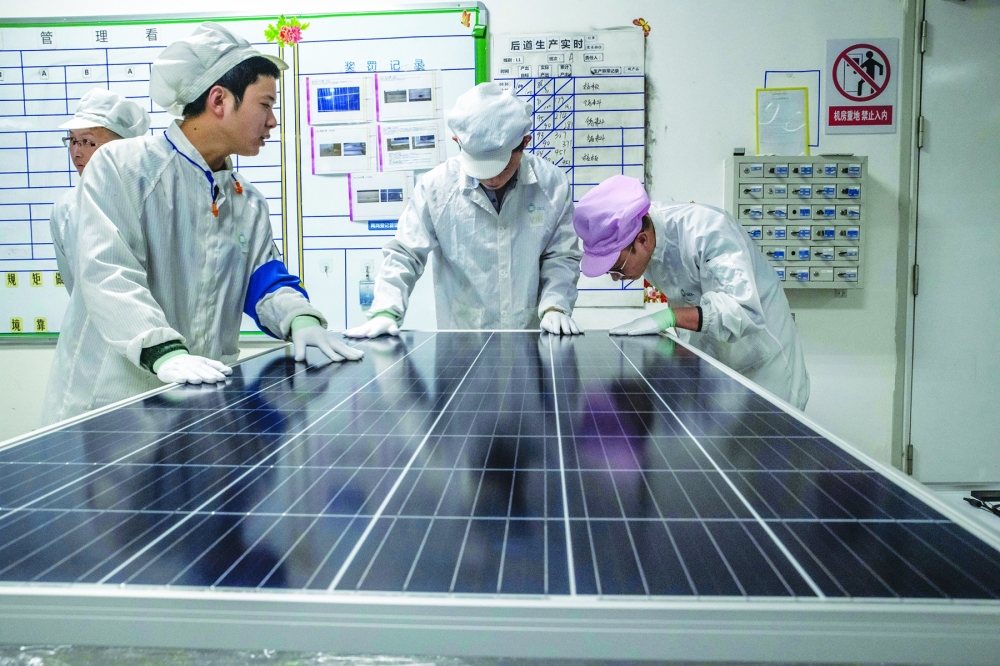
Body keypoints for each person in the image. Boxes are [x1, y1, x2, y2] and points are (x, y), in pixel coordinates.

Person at [40, 22, 362, 426]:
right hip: (115, 402)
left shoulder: (247, 200)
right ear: (219, 100)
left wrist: (300, 317)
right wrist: (164, 353)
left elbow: (263, 280)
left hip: (198, 400)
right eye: (265, 104)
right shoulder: (124, 168)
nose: (273, 121)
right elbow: (108, 275)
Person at [344, 82, 582, 338]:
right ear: (458, 142)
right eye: (479, 165)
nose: (491, 179)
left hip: (528, 338)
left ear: (524, 142)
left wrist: (556, 305)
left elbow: (561, 256)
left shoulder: (551, 185)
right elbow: (405, 254)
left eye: (500, 166)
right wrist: (386, 310)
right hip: (461, 341)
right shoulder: (436, 187)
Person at [573, 175, 810, 410]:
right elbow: (687, 294)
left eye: (618, 268)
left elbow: (744, 311)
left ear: (642, 240)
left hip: (765, 369)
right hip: (719, 370)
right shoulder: (647, 239)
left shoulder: (708, 230)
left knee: (770, 442)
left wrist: (670, 317)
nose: (616, 277)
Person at [50, 89, 151, 295]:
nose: (76, 152)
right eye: (72, 140)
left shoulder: (151, 199)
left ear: (122, 146)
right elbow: (76, 287)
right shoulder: (67, 209)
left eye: (87, 141)